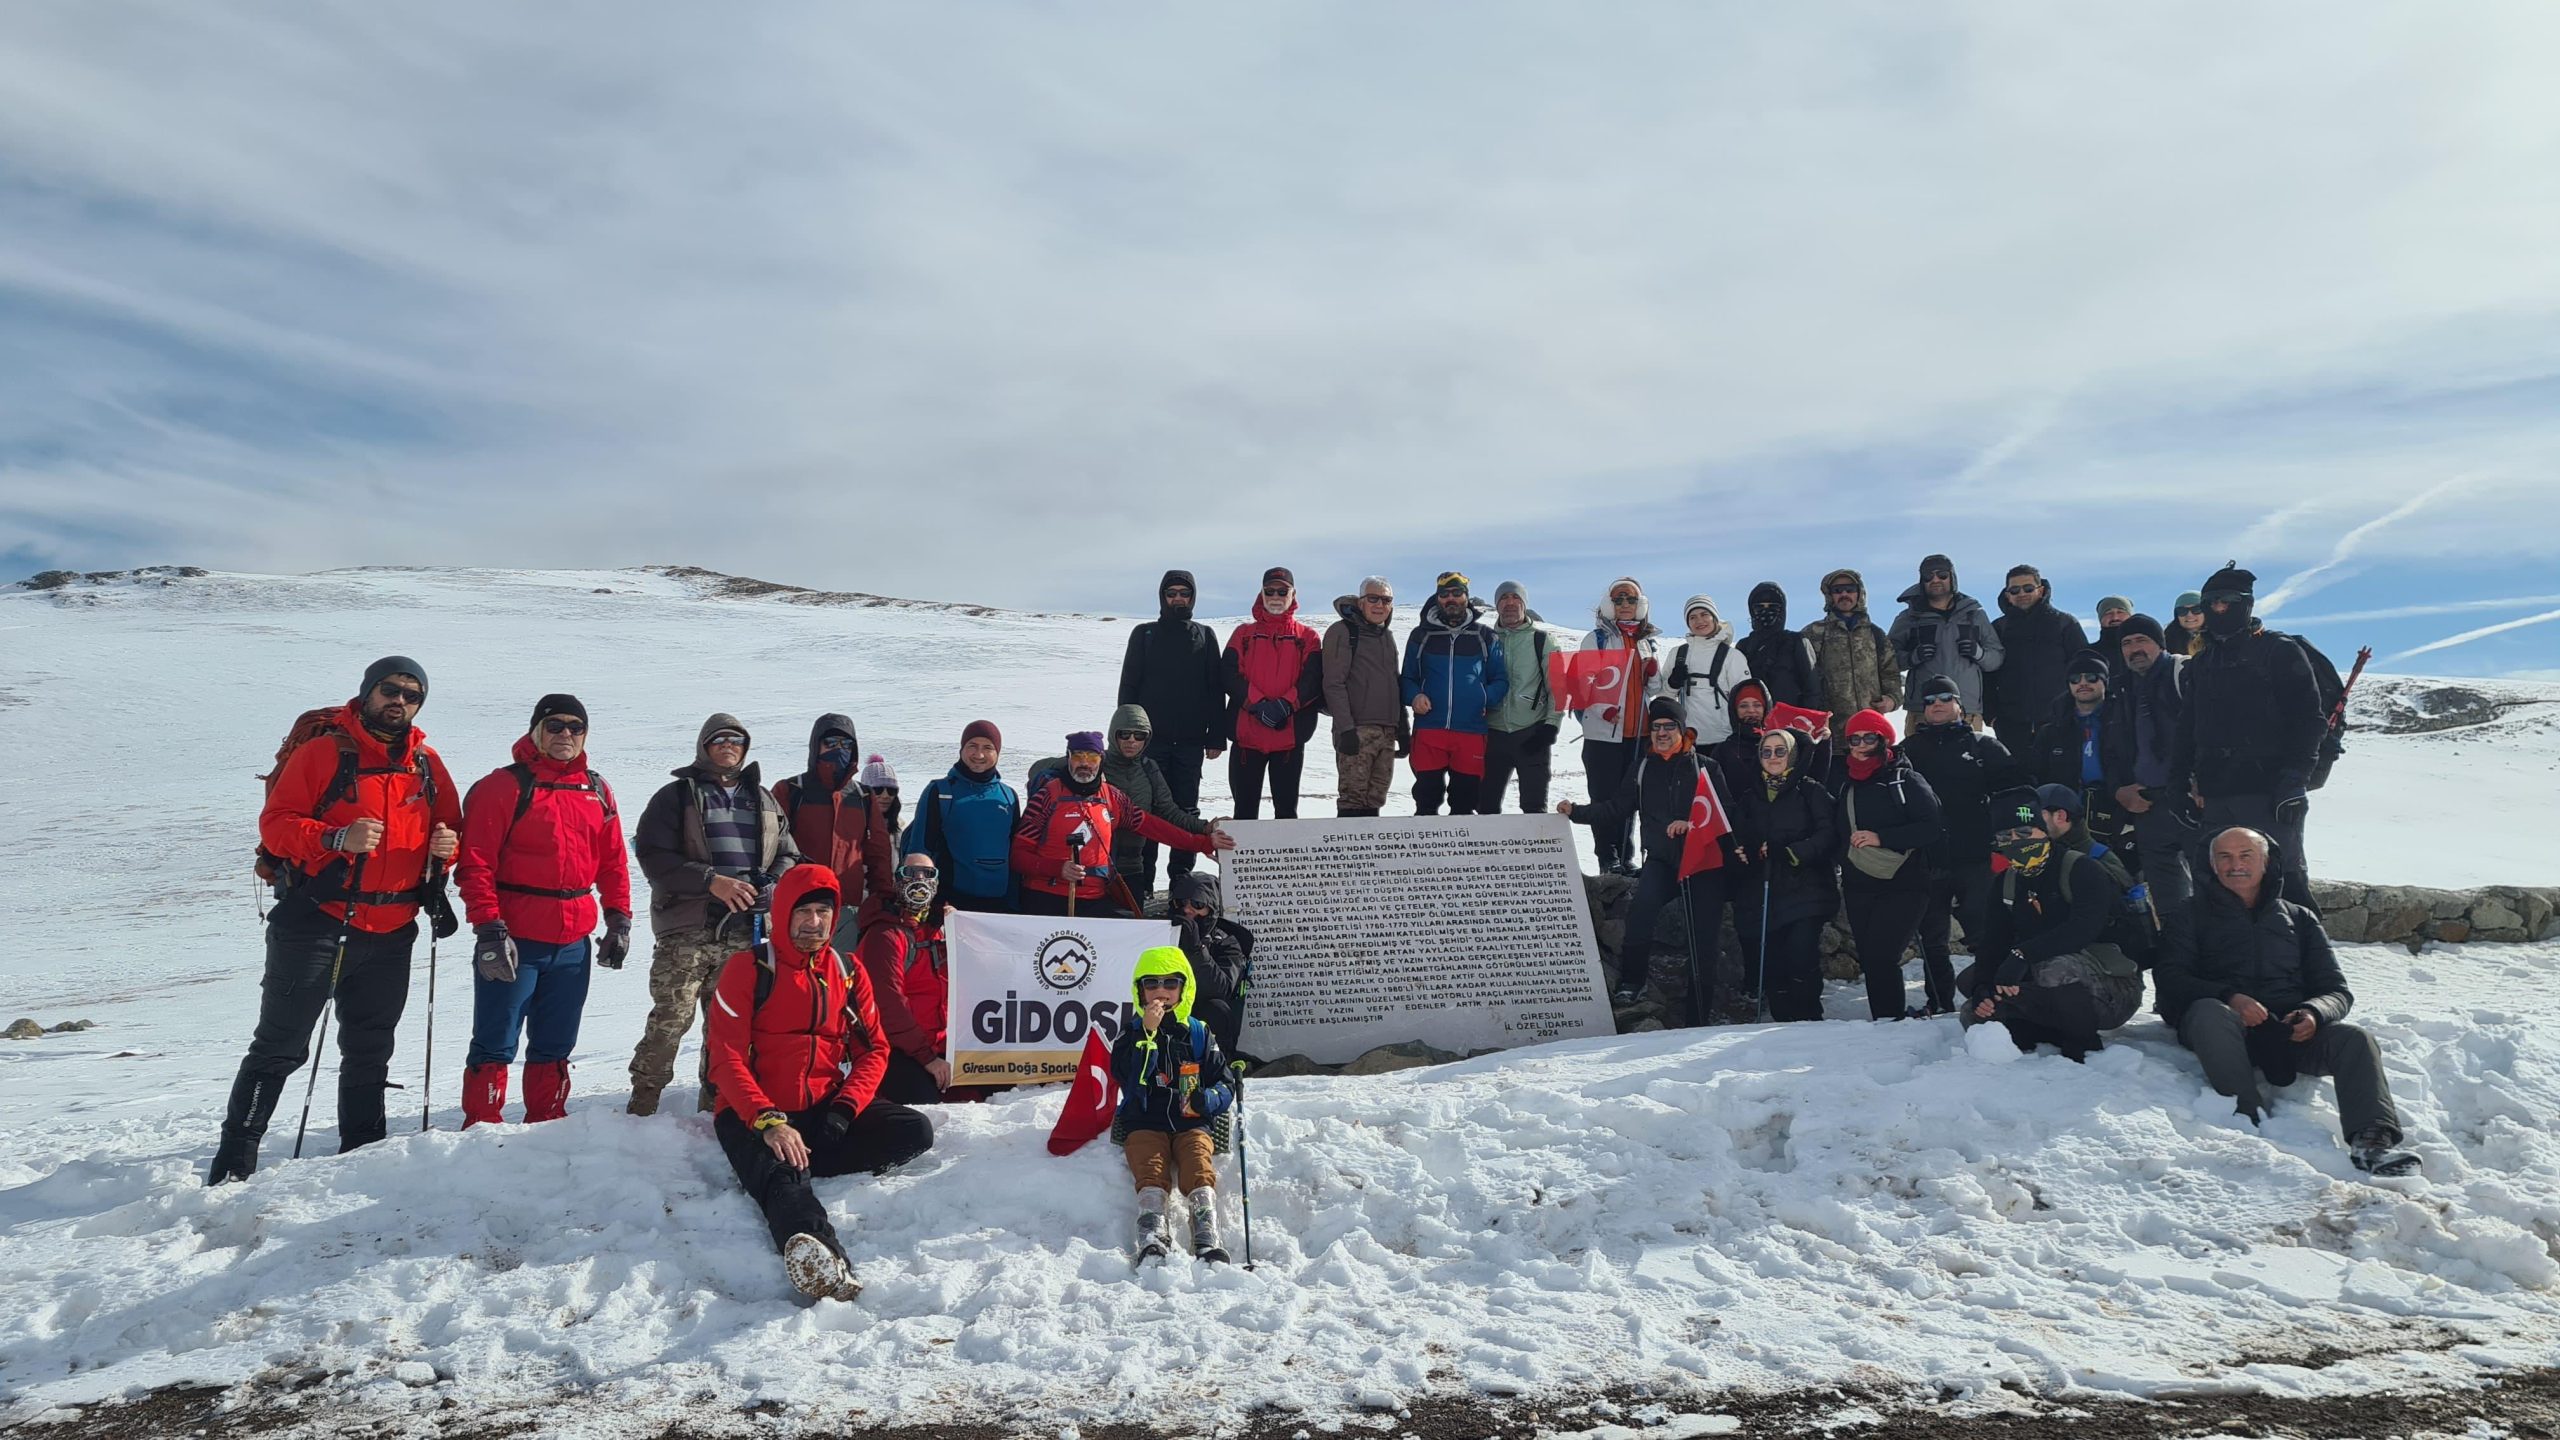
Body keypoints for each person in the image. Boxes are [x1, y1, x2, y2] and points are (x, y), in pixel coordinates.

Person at [210, 657, 463, 1184]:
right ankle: (235, 1160)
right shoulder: (324, 753)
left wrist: (449, 847)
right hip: (317, 923)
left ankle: (362, 1153)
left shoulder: (427, 764)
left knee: (371, 1047)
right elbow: (277, 825)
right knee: (280, 1046)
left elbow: (448, 830)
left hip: (393, 928)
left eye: (411, 695)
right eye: (390, 690)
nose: (399, 701)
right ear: (368, 692)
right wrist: (332, 838)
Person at [704, 864, 936, 1301]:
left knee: (914, 1130)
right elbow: (726, 1059)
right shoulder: (748, 970)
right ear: (784, 913)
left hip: (821, 1105)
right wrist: (769, 1121)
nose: (814, 922)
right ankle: (823, 1258)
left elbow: (874, 1050)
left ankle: (803, 1163)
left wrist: (845, 1108)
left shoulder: (848, 971)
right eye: (804, 912)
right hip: (752, 1113)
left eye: (823, 914)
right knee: (783, 1179)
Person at [2155, 827, 2419, 1176]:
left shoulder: (2299, 918)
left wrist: (2314, 1013)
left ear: (2266, 863)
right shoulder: (2188, 915)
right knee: (2209, 1012)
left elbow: (2337, 990)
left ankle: (2372, 1142)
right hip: (2220, 1029)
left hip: (2287, 1034)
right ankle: (2247, 1117)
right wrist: (2230, 998)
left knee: (2355, 1039)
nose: (2236, 865)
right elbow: (2170, 978)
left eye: (2246, 856)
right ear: (2211, 865)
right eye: (2225, 857)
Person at [454, 694, 633, 1127]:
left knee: (556, 1041)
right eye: (555, 726)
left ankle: (548, 1123)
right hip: (516, 937)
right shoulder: (504, 786)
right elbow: (475, 862)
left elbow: (612, 862)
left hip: (573, 941)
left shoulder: (596, 788)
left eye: (575, 727)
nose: (565, 735)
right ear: (536, 730)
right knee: (497, 1038)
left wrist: (618, 920)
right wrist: (489, 930)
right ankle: (481, 1127)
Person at [627, 715, 803, 1117]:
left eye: (736, 740)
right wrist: (711, 881)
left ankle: (716, 1111)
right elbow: (654, 856)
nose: (728, 745)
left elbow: (789, 853)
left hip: (746, 932)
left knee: (729, 1029)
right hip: (688, 928)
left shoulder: (763, 799)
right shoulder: (676, 796)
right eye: (719, 739)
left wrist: (771, 885)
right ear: (704, 746)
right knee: (670, 1021)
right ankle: (641, 1110)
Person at [1558, 695, 1737, 1016]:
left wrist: (1692, 824)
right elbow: (1616, 808)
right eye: (1656, 727)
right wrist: (1575, 813)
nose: (1662, 733)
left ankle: (1700, 1008)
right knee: (1640, 913)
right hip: (1662, 861)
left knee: (1703, 935)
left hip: (1703, 863)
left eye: (1670, 726)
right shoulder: (1642, 769)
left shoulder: (1706, 767)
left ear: (1684, 730)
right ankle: (1631, 983)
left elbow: (1728, 815)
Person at [2170, 564, 2324, 908]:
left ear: (2247, 604)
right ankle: (2228, 962)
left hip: (2269, 793)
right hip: (2215, 795)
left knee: (2284, 887)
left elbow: (2309, 720)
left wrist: (2294, 780)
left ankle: (2307, 960)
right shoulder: (2203, 662)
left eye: (2228, 601)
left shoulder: (2279, 651)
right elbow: (2187, 729)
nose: (2219, 609)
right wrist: (2177, 783)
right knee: (2217, 889)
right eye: (2211, 602)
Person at [1956, 786, 2144, 1061]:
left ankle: (2082, 1039)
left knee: (2052, 968)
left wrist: (2021, 955)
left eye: (2024, 833)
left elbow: (2083, 929)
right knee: (1973, 1004)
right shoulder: (2006, 881)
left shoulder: (2082, 868)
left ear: (2041, 830)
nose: (2015, 842)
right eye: (2005, 837)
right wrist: (1984, 988)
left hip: (2112, 986)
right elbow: (1994, 939)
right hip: (2048, 976)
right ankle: (2044, 1028)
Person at [1013, 733, 1232, 917]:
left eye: (1092, 757)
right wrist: (1058, 869)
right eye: (1078, 756)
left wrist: (1202, 843)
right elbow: (1018, 855)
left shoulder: (1111, 798)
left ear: (1101, 760)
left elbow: (1154, 827)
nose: (1085, 763)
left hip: (1094, 898)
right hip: (1045, 897)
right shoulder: (1047, 796)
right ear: (1068, 758)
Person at [1114, 944, 1239, 1262]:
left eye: (1171, 984)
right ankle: (1152, 1234)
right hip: (1144, 1119)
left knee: (1198, 1165)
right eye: (1152, 983)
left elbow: (1224, 1082)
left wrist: (1207, 1099)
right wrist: (1148, 1035)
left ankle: (1206, 1234)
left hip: (1191, 1119)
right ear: (1139, 990)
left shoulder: (1198, 1033)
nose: (1161, 992)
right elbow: (1127, 1077)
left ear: (1184, 988)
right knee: (1151, 1169)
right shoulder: (1130, 1035)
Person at [1900, 674, 2015, 1017]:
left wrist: (2004, 845)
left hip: (1977, 856)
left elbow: (2015, 795)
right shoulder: (1908, 751)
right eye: (1930, 699)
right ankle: (1939, 1002)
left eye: (1944, 698)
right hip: (1928, 857)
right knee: (1933, 939)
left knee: (1987, 933)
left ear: (1960, 707)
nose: (1937, 704)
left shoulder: (1985, 747)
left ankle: (1994, 998)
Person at [1117, 570, 1226, 897]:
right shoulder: (1144, 635)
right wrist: (1127, 735)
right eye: (1171, 593)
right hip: (1151, 743)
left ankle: (1180, 880)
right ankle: (1144, 884)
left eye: (1184, 594)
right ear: (1162, 597)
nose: (1178, 599)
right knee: (1147, 812)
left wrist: (1216, 737)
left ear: (1193, 598)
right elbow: (1129, 687)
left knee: (1185, 810)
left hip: (1190, 743)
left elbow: (1214, 690)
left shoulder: (1204, 636)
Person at [1834, 709, 1945, 1021]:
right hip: (1859, 884)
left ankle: (1891, 1022)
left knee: (1883, 955)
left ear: (1884, 739)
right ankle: (1884, 1021)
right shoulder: (1847, 783)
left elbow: (1931, 826)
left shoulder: (1906, 779)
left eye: (1869, 736)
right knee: (1871, 959)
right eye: (1853, 738)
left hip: (1905, 883)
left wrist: (1881, 837)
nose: (1860, 744)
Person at [1729, 727, 1839, 1021]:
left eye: (1780, 751)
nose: (1773, 757)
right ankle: (1782, 1027)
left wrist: (1792, 851)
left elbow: (1829, 834)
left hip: (1806, 889)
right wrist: (1744, 851)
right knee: (1773, 964)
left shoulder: (1811, 790)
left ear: (1792, 754)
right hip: (1763, 891)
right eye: (1767, 751)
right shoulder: (1750, 797)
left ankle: (1809, 1020)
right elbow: (1739, 837)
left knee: (1800, 956)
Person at [771, 715, 897, 945]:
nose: (839, 750)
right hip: (798, 904)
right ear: (816, 745)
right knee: (794, 971)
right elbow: (772, 846)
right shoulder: (791, 790)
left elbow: (878, 853)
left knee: (839, 973)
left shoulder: (863, 796)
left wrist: (882, 898)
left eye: (846, 745)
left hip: (847, 907)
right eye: (831, 743)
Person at [1571, 576, 1665, 873]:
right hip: (1603, 735)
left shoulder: (1647, 641)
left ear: (1640, 605)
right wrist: (1603, 711)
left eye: (1631, 599)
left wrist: (1652, 672)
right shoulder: (1596, 639)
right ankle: (1607, 858)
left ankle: (1626, 856)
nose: (1625, 605)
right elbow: (1581, 684)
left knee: (1631, 798)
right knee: (1603, 796)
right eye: (1619, 599)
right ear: (1609, 605)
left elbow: (1654, 688)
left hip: (1639, 733)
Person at [855, 852, 960, 1106]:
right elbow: (888, 1006)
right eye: (911, 873)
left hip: (939, 1045)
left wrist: (962, 927)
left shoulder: (940, 929)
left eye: (928, 873)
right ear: (897, 879)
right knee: (926, 1105)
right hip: (893, 1049)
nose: (920, 879)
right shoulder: (885, 935)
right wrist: (927, 1058)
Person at [1402, 571, 1510, 816]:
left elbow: (1500, 680)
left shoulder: (1485, 636)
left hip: (1470, 731)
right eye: (1444, 594)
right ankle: (1427, 853)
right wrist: (1414, 696)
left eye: (1457, 593)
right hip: (1430, 729)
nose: (1451, 598)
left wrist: (1484, 697)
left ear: (1466, 597)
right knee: (1426, 801)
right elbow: (1408, 677)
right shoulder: (1421, 636)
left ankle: (1463, 855)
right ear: (1437, 598)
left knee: (1464, 803)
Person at [1222, 566, 1324, 820]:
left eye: (1282, 591)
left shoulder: (1307, 637)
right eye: (1270, 591)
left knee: (1287, 813)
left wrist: (1284, 706)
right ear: (1262, 593)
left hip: (1288, 739)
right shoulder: (1243, 634)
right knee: (1244, 813)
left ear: (1293, 594)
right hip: (1248, 738)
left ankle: (1286, 860)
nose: (1276, 596)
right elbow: (1228, 674)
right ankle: (1244, 861)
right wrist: (1258, 704)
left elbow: (1312, 680)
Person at [2115, 615, 2193, 918]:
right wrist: (2119, 789)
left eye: (2141, 640)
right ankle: (2178, 960)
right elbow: (2115, 748)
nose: (2134, 649)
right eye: (2126, 643)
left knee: (2213, 888)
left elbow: (2211, 731)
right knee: (2167, 898)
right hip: (2147, 805)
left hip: (2190, 798)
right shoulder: (2121, 689)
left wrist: (2202, 781)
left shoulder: (2184, 672)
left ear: (2159, 643)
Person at [2023, 649, 2136, 858]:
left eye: (2092, 677)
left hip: (2119, 813)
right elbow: (2035, 775)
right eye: (2075, 678)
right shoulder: (2052, 729)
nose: (2083, 683)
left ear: (2104, 681)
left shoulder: (2126, 720)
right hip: (2067, 819)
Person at [901, 721, 1020, 913]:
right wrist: (925, 904)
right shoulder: (939, 792)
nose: (979, 754)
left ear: (998, 752)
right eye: (972, 746)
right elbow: (919, 849)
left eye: (987, 748)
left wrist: (1015, 903)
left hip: (1000, 906)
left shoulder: (1009, 796)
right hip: (951, 904)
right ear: (961, 749)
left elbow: (1015, 854)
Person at [1323, 576, 1407, 818]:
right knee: (1352, 800)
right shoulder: (1343, 631)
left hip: (1387, 732)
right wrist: (1346, 728)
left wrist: (1402, 728)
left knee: (1374, 800)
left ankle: (1370, 856)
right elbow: (1333, 683)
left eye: (1386, 600)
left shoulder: (1385, 637)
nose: (1379, 605)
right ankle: (1349, 855)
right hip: (1357, 730)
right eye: (1373, 599)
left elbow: (1394, 683)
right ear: (1360, 602)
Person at [1887, 555, 2002, 730]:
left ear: (1952, 578)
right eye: (1928, 576)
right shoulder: (1909, 618)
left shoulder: (1974, 615)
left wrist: (1979, 653)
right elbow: (1887, 660)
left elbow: (1997, 657)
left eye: (1942, 575)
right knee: (1918, 758)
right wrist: (1912, 657)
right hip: (1922, 711)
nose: (1935, 580)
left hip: (1966, 711)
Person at [1987, 565, 2093, 749]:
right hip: (2011, 725)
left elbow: (2084, 666)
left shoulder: (2064, 623)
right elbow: (1987, 674)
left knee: (2061, 776)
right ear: (2007, 594)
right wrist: (1992, 715)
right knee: (2016, 777)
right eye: (2015, 589)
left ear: (2040, 590)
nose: (2022, 593)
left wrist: (2079, 707)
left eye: (2028, 588)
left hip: (2059, 720)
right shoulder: (1997, 628)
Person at [1480, 580, 1563, 814]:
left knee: (1534, 807)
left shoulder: (1542, 641)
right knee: (1485, 805)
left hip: (1532, 732)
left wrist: (1550, 726)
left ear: (1524, 604)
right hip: (1492, 733)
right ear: (1497, 605)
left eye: (1515, 598)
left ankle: (1536, 851)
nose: (1509, 603)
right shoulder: (1484, 639)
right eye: (1503, 598)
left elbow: (1557, 686)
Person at [1802, 568, 1900, 739]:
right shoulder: (1814, 633)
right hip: (1831, 735)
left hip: (1871, 734)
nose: (1844, 594)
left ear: (1859, 593)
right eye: (1838, 591)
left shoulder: (1875, 634)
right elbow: (1804, 679)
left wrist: (1892, 700)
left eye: (1850, 589)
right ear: (1829, 595)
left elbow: (1891, 673)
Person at [1169, 871, 1253, 1057]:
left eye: (1197, 904)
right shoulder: (1161, 931)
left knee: (1217, 1009)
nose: (1187, 910)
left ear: (1211, 908)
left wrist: (1196, 950)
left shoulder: (1227, 942)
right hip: (1163, 1007)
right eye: (1180, 903)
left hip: (1203, 1012)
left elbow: (1222, 989)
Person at [1664, 595, 1755, 748]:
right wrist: (1672, 684)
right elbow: (1663, 698)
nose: (1699, 621)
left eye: (1704, 614)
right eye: (1692, 617)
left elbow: (1745, 700)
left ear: (1714, 618)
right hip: (1687, 742)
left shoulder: (1732, 656)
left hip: (1726, 741)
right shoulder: (1677, 654)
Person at [1737, 582, 1821, 710]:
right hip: (1754, 719)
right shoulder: (1744, 646)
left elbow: (1812, 687)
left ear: (1782, 610)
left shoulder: (1796, 641)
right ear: (1752, 611)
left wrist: (1805, 720)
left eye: (1773, 607)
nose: (1766, 611)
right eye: (1759, 608)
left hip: (1790, 722)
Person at [2093, 596, 2136, 680]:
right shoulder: (2090, 654)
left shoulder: (2143, 648)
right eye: (2108, 613)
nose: (2115, 618)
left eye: (2120, 612)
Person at [2173, 590, 2208, 657]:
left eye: (2197, 609)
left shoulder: (2220, 638)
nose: (2189, 615)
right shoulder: (2165, 642)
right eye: (2182, 611)